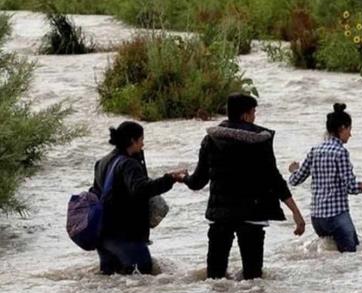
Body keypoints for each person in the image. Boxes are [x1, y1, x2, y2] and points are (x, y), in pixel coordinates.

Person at [184, 93, 306, 280]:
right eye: (253, 112)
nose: (255, 117)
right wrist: (296, 213)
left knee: (215, 279)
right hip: (252, 215)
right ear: (245, 116)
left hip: (220, 216)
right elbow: (275, 180)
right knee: (253, 278)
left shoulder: (210, 140)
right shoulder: (261, 142)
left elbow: (198, 181)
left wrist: (182, 178)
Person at [288, 103, 362, 253]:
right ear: (342, 128)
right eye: (349, 129)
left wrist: (294, 170)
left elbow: (294, 180)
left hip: (317, 219)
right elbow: (352, 188)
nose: (350, 134)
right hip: (336, 216)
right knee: (351, 257)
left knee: (331, 258)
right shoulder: (340, 152)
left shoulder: (315, 150)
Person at [94, 121, 185, 275]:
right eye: (141, 139)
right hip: (127, 236)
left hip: (104, 235)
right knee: (143, 279)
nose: (143, 144)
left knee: (111, 284)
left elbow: (96, 192)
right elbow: (142, 189)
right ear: (132, 141)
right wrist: (170, 179)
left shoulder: (102, 162)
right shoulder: (129, 164)